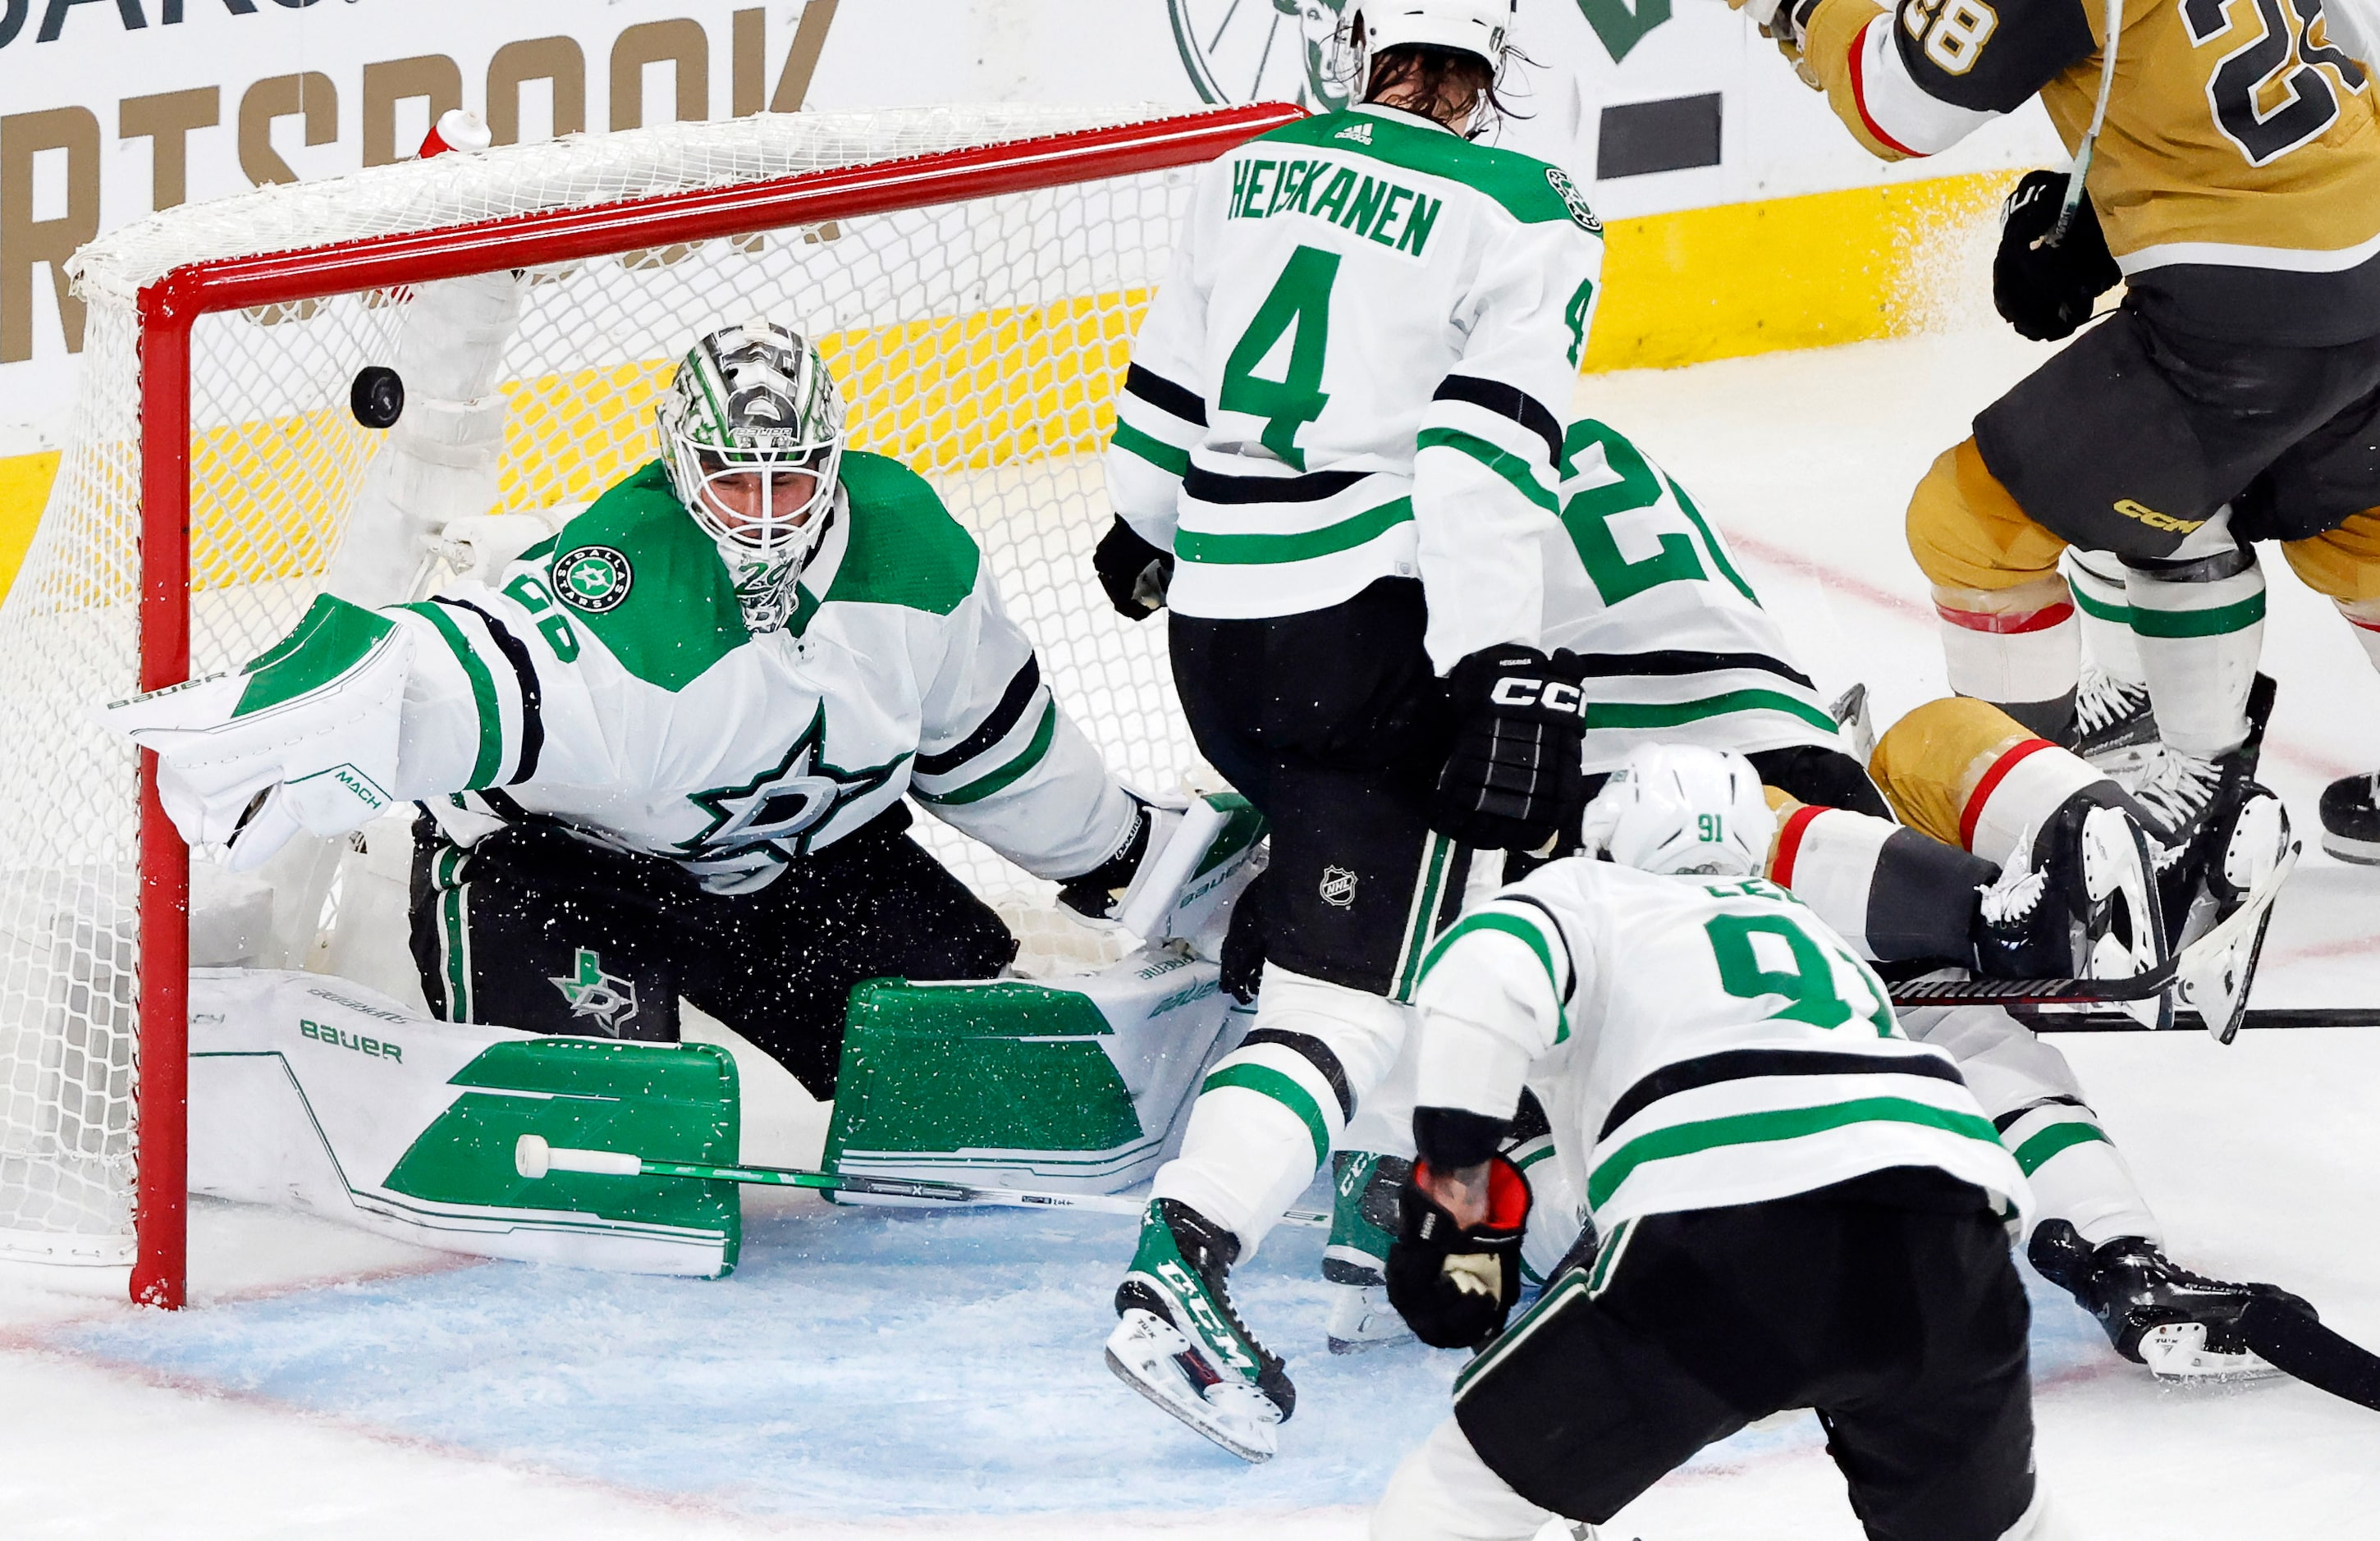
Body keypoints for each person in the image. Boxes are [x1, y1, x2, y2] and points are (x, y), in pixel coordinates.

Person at [103, 321, 1158, 1100]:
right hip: (561, 872)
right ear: (677, 466)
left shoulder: (913, 554)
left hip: (791, 870)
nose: (760, 514)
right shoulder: (628, 585)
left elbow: (989, 743)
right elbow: (477, 662)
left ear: (833, 463)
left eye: (788, 481)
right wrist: (320, 700)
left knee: (984, 1076)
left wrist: (1117, 855)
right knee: (611, 1131)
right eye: (728, 481)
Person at [1093, 0, 1607, 1461]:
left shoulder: (1256, 160)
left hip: (1216, 638)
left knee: (1370, 920)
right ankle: (1187, 1264)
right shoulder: (1527, 203)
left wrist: (1139, 528)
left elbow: (1169, 377)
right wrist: (1492, 657)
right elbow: (1480, 449)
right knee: (1351, 986)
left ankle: (1376, 1200)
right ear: (1493, 68)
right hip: (1361, 636)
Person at [1729, 0, 2378, 869]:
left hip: (2247, 314)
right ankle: (2166, 748)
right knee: (2357, 537)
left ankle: (2038, 838)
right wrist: (2105, 208)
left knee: (1974, 529)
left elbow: (1893, 107)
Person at [1371, 743, 2053, 1541]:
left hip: (1727, 1244)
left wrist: (1454, 1172)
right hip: (1945, 1244)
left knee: (1456, 1499)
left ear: (1609, 830)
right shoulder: (1814, 937)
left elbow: (1482, 982)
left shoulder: (1585, 892)